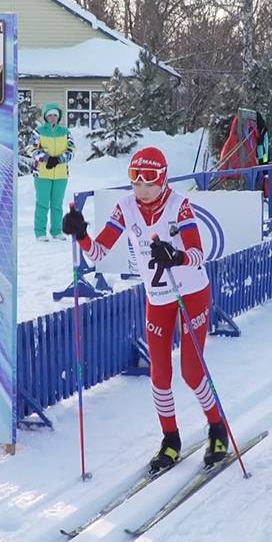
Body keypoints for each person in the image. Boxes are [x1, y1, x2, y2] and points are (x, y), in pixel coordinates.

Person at [60, 147, 229, 472]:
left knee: (191, 372)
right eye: (136, 183)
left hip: (190, 292)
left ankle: (217, 428)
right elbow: (97, 252)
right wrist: (81, 234)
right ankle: (170, 439)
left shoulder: (178, 204)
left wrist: (176, 256)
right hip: (157, 297)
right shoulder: (126, 206)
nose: (143, 190)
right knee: (159, 374)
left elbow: (198, 253)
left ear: (162, 180)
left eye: (149, 183)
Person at [26, 103, 75, 241]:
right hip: (42, 173)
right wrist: (46, 158)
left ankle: (56, 231)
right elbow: (31, 148)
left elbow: (72, 149)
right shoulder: (39, 131)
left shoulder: (65, 132)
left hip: (61, 174)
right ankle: (40, 232)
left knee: (57, 204)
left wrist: (59, 159)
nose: (52, 118)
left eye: (55, 115)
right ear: (46, 117)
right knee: (42, 203)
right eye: (49, 115)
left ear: (58, 117)